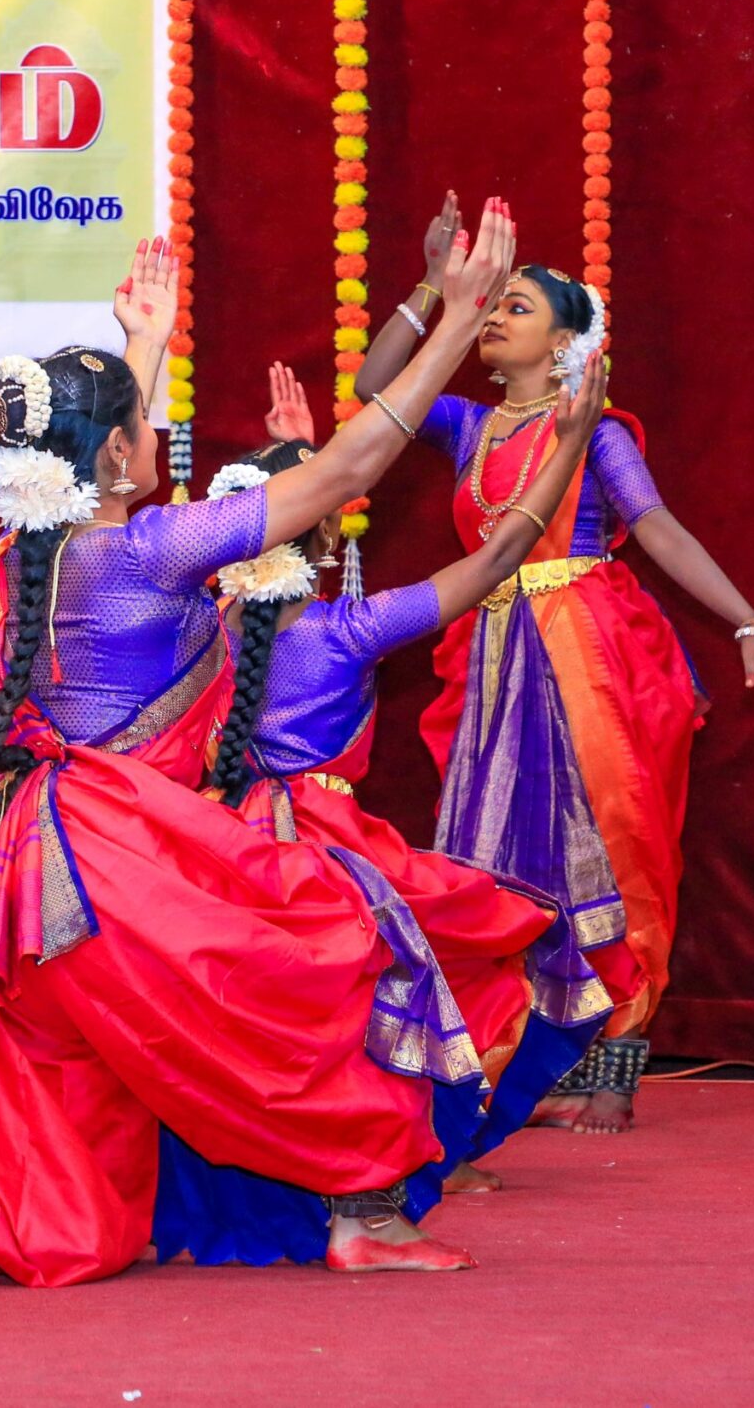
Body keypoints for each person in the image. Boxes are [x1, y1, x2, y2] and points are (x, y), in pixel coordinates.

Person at [0, 214, 516, 1303]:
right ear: (112, 453)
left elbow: (95, 468)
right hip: (115, 863)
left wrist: (139, 346)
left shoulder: (17, 557)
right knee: (319, 976)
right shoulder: (155, 548)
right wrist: (457, 322)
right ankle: (365, 1217)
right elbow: (348, 466)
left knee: (78, 1184)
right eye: (141, 421)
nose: (153, 433)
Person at [353, 194, 754, 1132]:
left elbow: (657, 528)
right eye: (496, 303)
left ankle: (617, 1060)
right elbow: (375, 387)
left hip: (585, 645)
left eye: (518, 306)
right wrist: (433, 285)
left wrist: (748, 618)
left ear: (563, 344)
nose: (496, 316)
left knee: (614, 839)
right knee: (497, 854)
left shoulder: (597, 430)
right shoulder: (466, 426)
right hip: (489, 652)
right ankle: (529, 1061)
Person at [193, 350, 615, 1205]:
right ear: (324, 535)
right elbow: (496, 559)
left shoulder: (200, 625)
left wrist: (302, 468)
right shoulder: (349, 630)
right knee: (480, 941)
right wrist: (568, 449)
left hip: (215, 840)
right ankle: (418, 1149)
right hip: (330, 848)